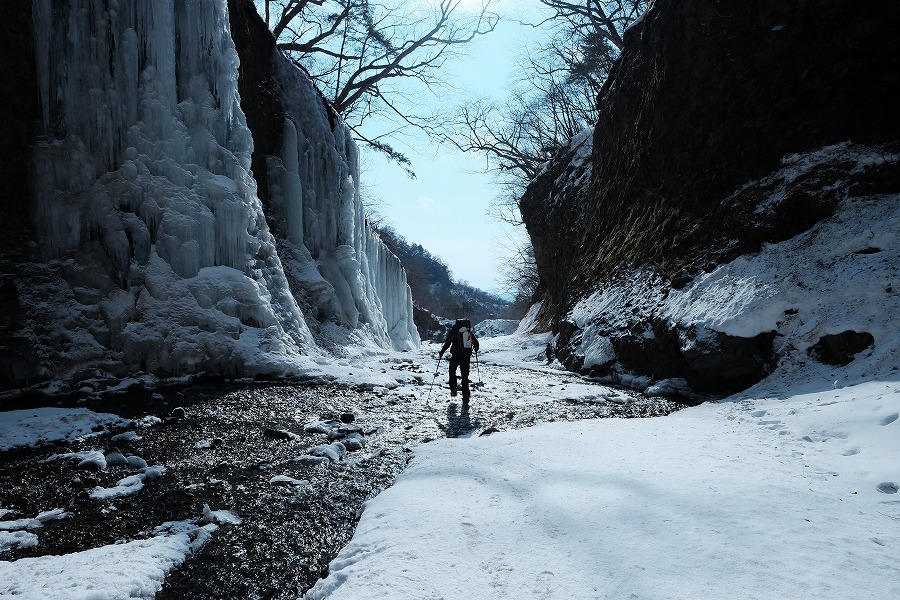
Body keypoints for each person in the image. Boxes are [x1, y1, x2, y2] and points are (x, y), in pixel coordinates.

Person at [439, 318, 480, 406]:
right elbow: (476, 344)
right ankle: (466, 399)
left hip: (456, 355)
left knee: (452, 372)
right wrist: (475, 349)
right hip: (466, 357)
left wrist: (442, 352)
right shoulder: (468, 331)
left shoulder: (455, 330)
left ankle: (453, 390)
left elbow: (448, 342)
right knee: (465, 377)